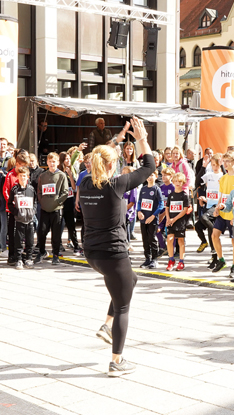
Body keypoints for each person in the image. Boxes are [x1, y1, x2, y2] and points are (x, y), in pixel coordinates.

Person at [79, 118, 154, 377]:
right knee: (124, 305)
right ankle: (116, 361)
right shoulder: (116, 186)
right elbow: (149, 166)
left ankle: (106, 325)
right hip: (113, 254)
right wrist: (141, 138)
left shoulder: (84, 184)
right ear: (113, 165)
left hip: (92, 253)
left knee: (129, 280)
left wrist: (119, 138)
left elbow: (100, 155)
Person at [35, 153, 68, 265]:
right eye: (50, 161)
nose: (52, 163)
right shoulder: (43, 176)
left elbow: (65, 192)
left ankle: (55, 254)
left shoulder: (62, 175)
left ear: (58, 162)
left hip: (56, 209)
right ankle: (42, 251)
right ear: (47, 162)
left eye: (54, 161)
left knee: (56, 234)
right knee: (41, 231)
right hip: (44, 208)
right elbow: (39, 191)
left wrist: (57, 202)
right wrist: (42, 201)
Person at [211, 152, 234, 276]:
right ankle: (221, 260)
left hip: (233, 214)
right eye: (224, 161)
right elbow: (222, 195)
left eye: (228, 161)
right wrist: (217, 207)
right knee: (214, 235)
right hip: (223, 212)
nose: (225, 164)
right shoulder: (223, 178)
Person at [3, 149, 31, 265]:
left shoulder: (24, 175)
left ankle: (21, 254)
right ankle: (11, 256)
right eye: (21, 165)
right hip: (13, 209)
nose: (23, 168)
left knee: (22, 234)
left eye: (25, 166)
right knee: (12, 232)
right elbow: (6, 191)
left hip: (24, 210)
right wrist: (13, 204)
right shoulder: (10, 175)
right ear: (17, 163)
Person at [9, 167, 36, 268]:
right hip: (19, 220)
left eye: (24, 176)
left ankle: (29, 258)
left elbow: (35, 202)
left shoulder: (31, 189)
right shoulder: (14, 189)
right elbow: (10, 204)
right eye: (20, 176)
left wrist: (33, 211)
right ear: (17, 177)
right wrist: (16, 212)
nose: (22, 178)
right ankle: (19, 259)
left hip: (29, 219)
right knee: (18, 241)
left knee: (30, 241)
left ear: (27, 177)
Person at [198, 155, 224, 262]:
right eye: (213, 165)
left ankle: (215, 257)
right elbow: (198, 182)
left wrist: (222, 167)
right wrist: (203, 167)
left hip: (217, 205)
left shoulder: (223, 176)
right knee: (197, 226)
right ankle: (207, 246)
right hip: (208, 205)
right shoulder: (208, 175)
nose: (215, 167)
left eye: (217, 165)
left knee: (205, 219)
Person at [137, 169, 164, 268]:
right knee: (145, 239)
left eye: (152, 175)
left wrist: (153, 216)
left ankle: (154, 259)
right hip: (143, 219)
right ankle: (147, 258)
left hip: (152, 219)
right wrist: (139, 211)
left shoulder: (156, 189)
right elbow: (139, 201)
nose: (149, 177)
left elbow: (161, 204)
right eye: (148, 175)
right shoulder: (143, 189)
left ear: (156, 177)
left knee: (152, 238)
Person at [165, 172, 191, 271]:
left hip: (180, 221)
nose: (177, 183)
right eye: (175, 181)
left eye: (179, 181)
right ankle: (171, 260)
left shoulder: (184, 195)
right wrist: (168, 219)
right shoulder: (171, 195)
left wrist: (174, 219)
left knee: (180, 240)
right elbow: (167, 208)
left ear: (183, 182)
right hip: (170, 220)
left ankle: (181, 261)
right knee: (170, 239)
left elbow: (184, 210)